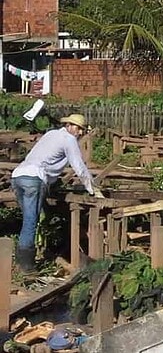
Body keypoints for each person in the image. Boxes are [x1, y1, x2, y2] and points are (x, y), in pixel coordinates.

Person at [10, 114, 101, 272]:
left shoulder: (51, 134)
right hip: (34, 178)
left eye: (82, 130)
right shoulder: (69, 140)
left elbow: (43, 158)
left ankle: (20, 260)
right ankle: (26, 266)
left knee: (28, 220)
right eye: (78, 128)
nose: (80, 132)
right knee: (31, 221)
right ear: (69, 126)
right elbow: (78, 166)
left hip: (18, 176)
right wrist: (93, 189)